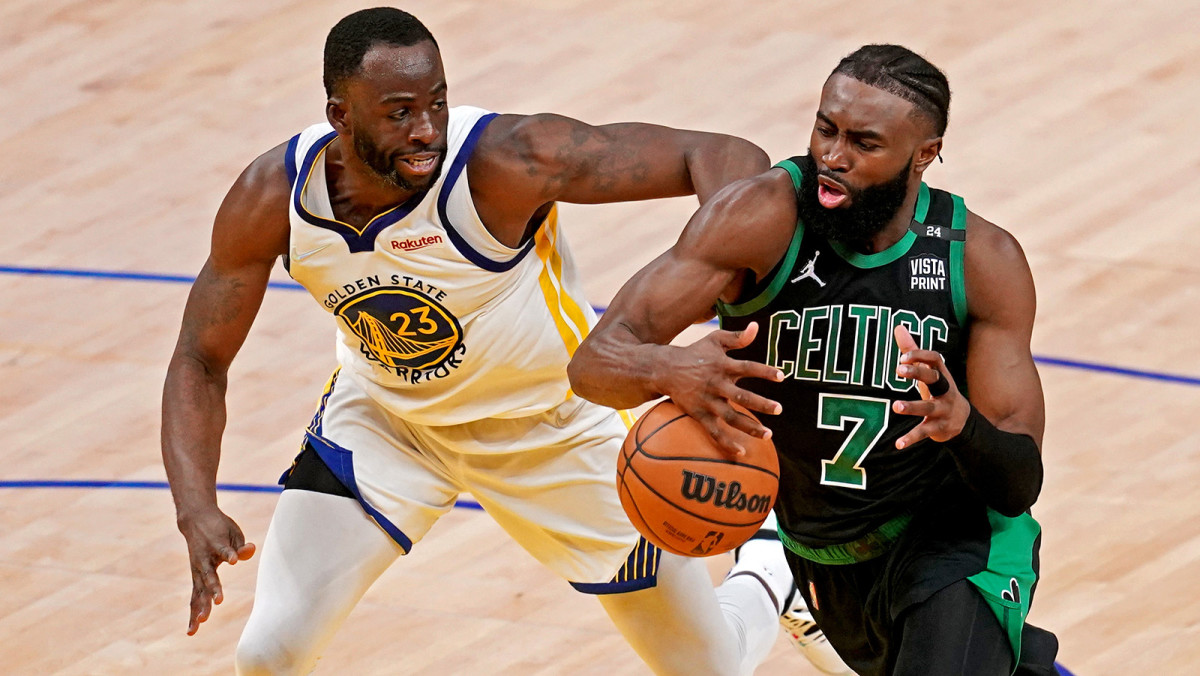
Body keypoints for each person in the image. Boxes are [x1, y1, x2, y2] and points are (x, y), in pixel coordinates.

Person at [160, 7, 851, 676]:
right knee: (266, 657)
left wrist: (733, 309)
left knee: (712, 668)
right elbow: (200, 356)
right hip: (388, 426)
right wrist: (195, 507)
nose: (427, 129)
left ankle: (769, 573)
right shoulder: (272, 197)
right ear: (340, 116)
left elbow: (721, 154)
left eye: (437, 102)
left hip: (557, 431)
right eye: (399, 112)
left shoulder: (507, 161)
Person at [568, 44, 1061, 675]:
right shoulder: (761, 215)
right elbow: (593, 365)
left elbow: (1019, 484)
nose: (833, 155)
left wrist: (960, 424)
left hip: (951, 542)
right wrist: (670, 369)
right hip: (823, 556)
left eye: (864, 142)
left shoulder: (981, 260)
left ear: (924, 154)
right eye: (825, 128)